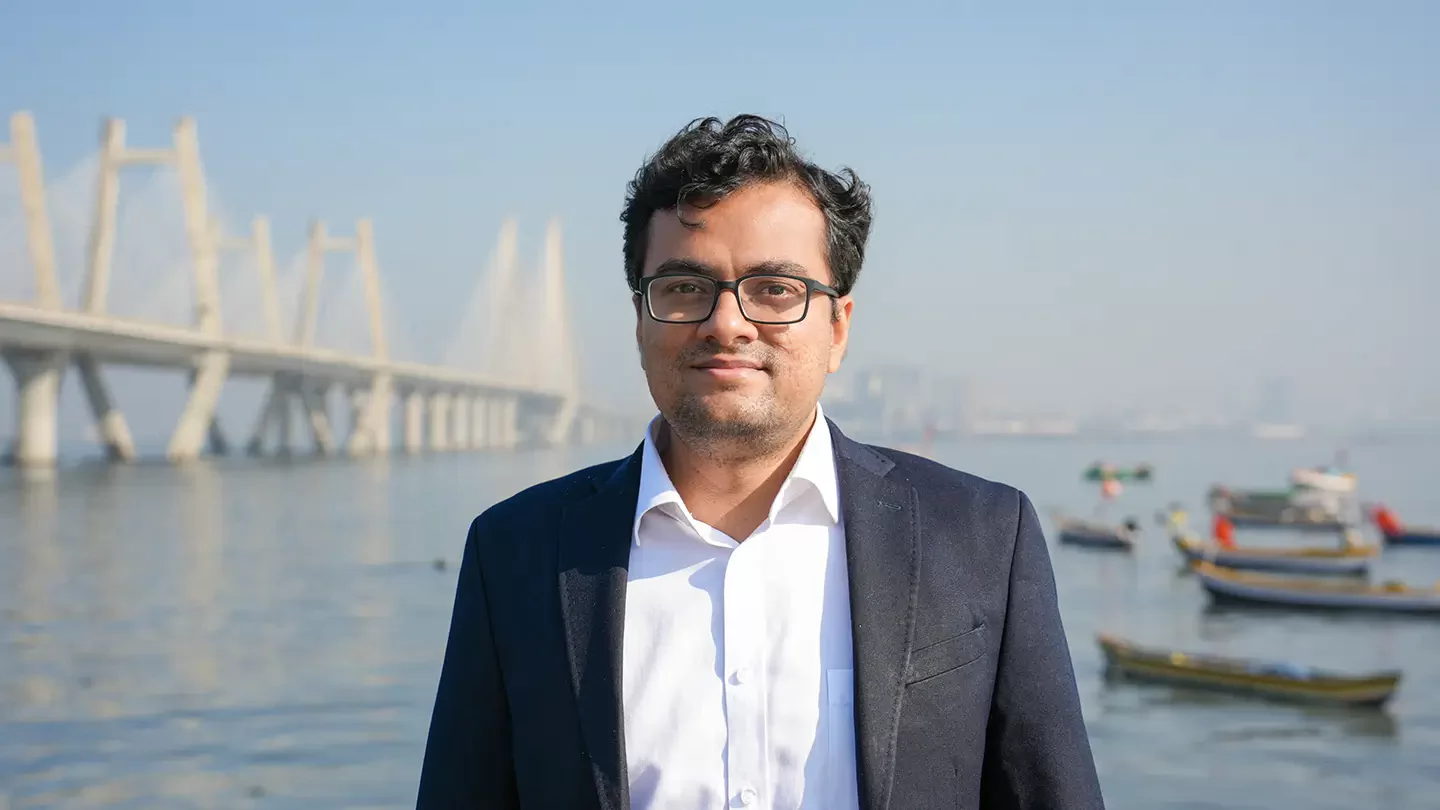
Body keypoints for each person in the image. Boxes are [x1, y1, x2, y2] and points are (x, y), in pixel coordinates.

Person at [415, 114, 1104, 810]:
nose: (726, 323)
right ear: (640, 321)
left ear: (838, 328)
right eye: (684, 287)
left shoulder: (982, 538)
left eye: (775, 289)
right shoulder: (517, 554)